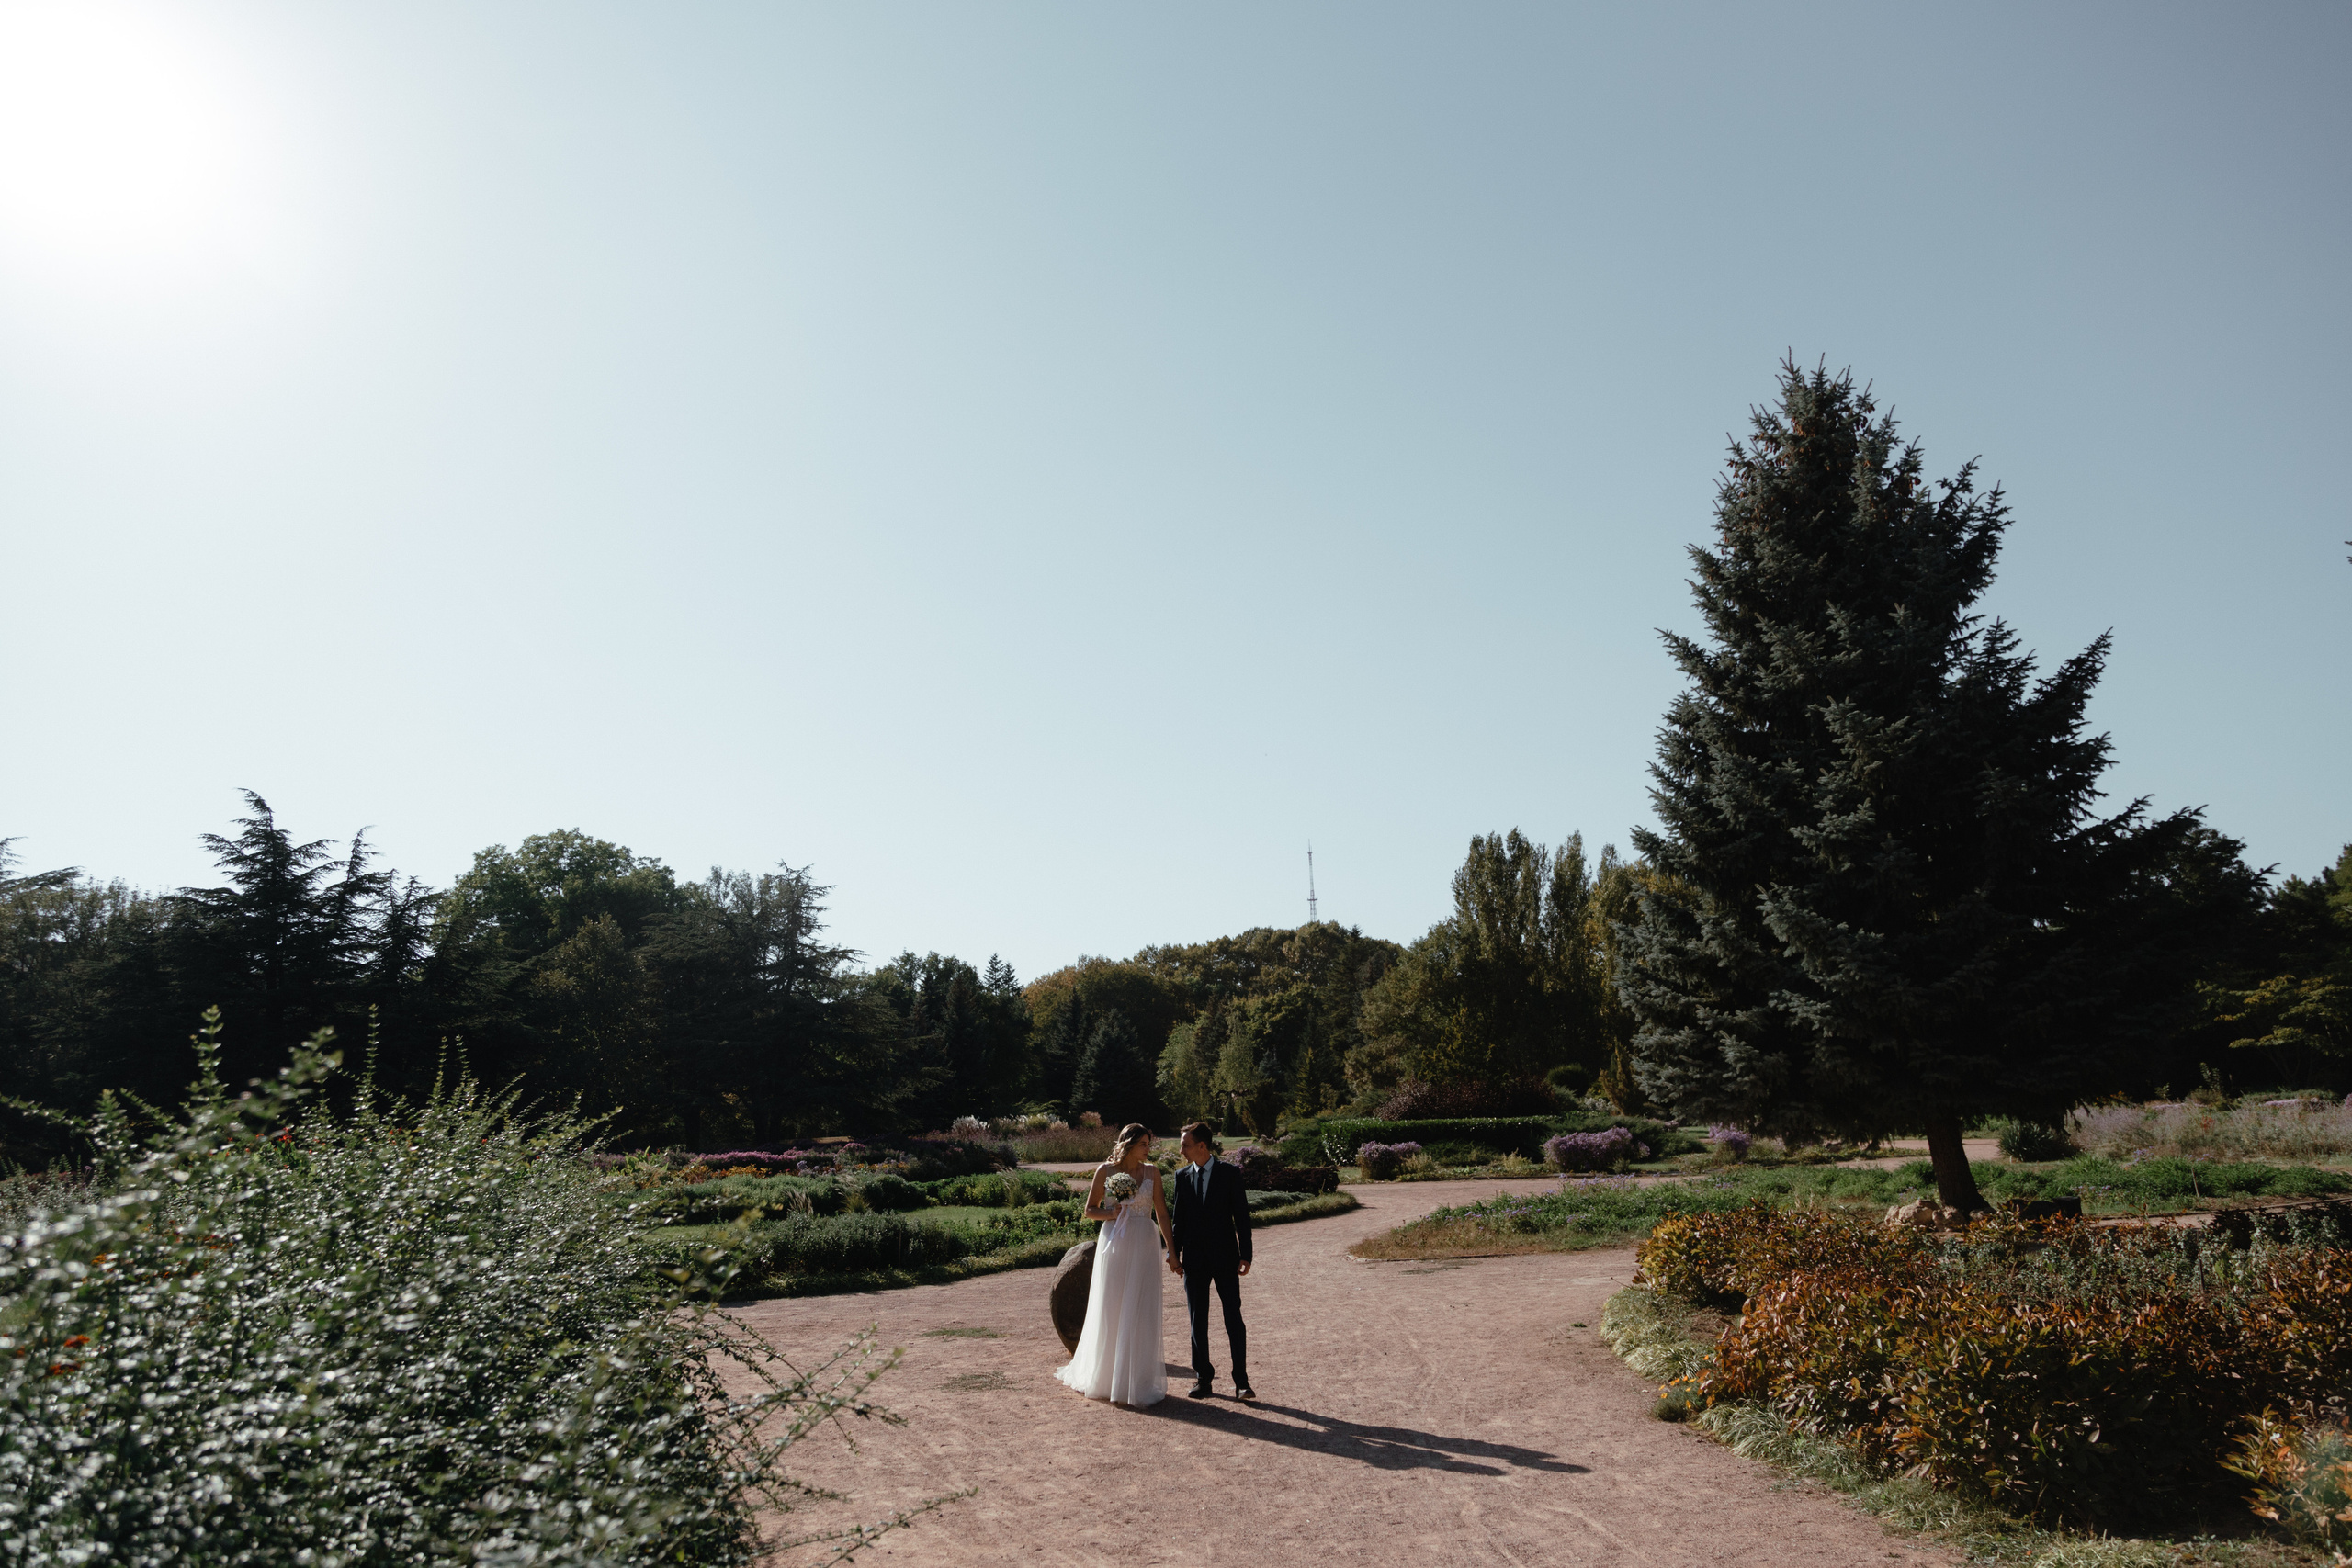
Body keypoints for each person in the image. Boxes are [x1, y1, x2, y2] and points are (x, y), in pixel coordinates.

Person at [1053, 1122, 1174, 1406]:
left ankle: (1137, 1379)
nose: (1148, 1149)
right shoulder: (1105, 1171)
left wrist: (1171, 1248)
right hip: (1115, 1243)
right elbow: (1089, 1210)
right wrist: (1111, 1212)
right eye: (1144, 1144)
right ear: (1129, 1144)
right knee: (1112, 1304)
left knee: (1141, 1307)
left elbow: (1162, 1213)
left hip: (1144, 1242)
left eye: (1149, 1144)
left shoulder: (1153, 1172)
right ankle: (1107, 1377)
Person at [1169, 1121, 1252, 1400]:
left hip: (1226, 1258)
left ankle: (1241, 1381)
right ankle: (1203, 1378)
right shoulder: (1181, 1177)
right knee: (1197, 1321)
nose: (1181, 1149)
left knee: (1233, 1319)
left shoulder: (1229, 1174)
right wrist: (1174, 1255)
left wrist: (1246, 1254)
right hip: (1193, 1261)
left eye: (1185, 1144)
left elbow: (1241, 1216)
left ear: (1201, 1146)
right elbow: (1178, 1221)